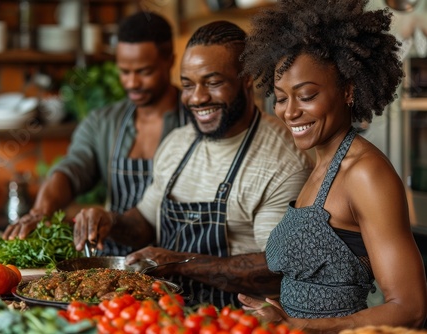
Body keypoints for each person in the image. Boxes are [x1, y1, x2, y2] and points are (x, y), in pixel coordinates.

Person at [73, 20, 314, 308]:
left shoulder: (282, 162)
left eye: (213, 83)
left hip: (234, 322)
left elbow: (277, 271)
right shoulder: (178, 143)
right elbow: (146, 223)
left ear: (247, 78)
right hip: (164, 318)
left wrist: (180, 264)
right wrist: (110, 222)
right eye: (188, 85)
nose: (197, 98)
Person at [238, 0, 427, 330]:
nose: (290, 111)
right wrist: (280, 313)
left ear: (349, 91)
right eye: (281, 97)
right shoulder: (321, 166)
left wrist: (300, 326)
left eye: (307, 95)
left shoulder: (366, 173)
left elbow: (410, 308)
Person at [2, 11, 187, 256]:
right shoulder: (103, 122)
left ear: (170, 61)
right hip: (112, 262)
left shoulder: (194, 122)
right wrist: (40, 212)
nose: (131, 82)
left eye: (144, 71)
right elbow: (71, 171)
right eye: (124, 71)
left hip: (175, 260)